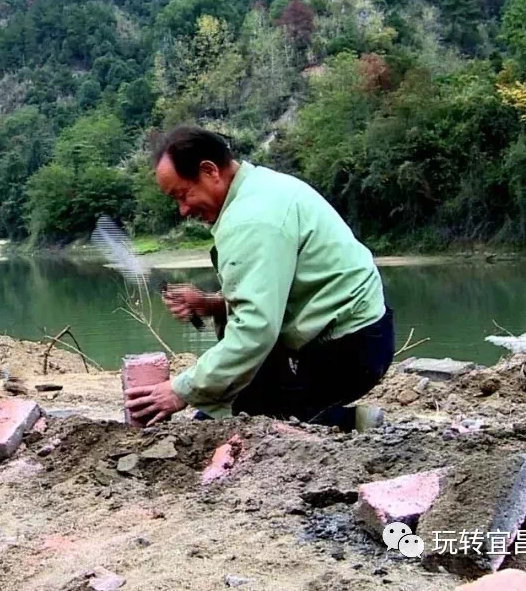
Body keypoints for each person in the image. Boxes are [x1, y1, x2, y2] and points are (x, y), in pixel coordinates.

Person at [124, 126, 392, 432]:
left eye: (183, 195)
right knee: (220, 414)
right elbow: (270, 295)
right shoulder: (258, 188)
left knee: (243, 423)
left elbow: (255, 329)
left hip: (348, 350)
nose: (183, 210)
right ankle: (329, 416)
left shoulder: (252, 218)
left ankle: (346, 423)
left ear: (210, 171)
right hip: (359, 337)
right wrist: (210, 304)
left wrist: (179, 390)